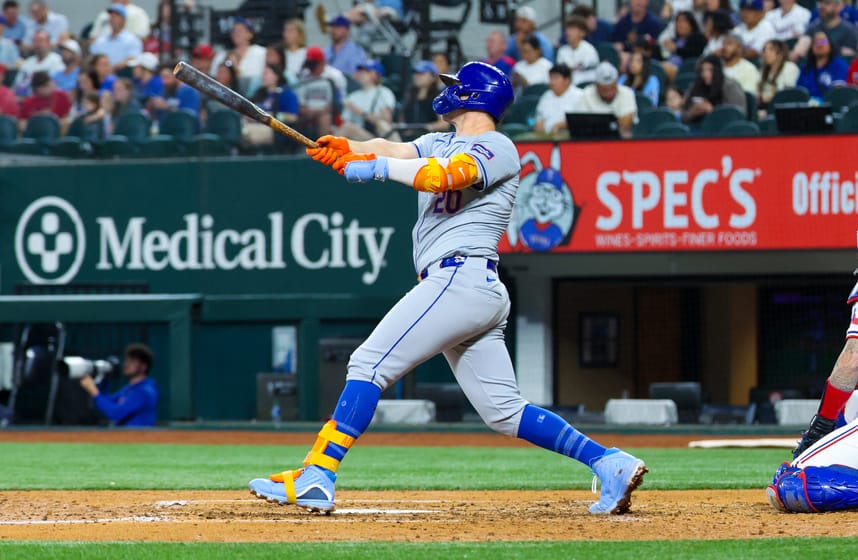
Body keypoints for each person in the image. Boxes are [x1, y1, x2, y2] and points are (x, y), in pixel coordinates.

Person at [248, 60, 648, 516]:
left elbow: (442, 176)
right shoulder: (440, 140)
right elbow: (394, 150)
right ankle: (609, 461)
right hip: (467, 287)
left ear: (474, 95)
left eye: (456, 86)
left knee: (368, 362)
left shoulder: (498, 147)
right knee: (503, 412)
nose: (447, 92)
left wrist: (373, 167)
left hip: (460, 278)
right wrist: (348, 146)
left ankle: (319, 473)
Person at [79, 343, 158, 427]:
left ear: (143, 366)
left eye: (132, 361)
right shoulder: (129, 388)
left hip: (139, 437)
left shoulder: (145, 391)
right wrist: (104, 380)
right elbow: (107, 403)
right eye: (127, 360)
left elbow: (115, 413)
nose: (127, 364)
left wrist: (93, 390)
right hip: (125, 437)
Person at [337, 59, 396, 141]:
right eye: (360, 71)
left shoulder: (384, 92)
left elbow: (386, 122)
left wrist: (361, 112)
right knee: (345, 128)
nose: (361, 73)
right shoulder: (352, 96)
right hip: (360, 136)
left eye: (366, 71)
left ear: (375, 74)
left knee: (383, 125)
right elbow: (344, 121)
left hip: (379, 138)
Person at [576, 61, 638, 137]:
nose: (609, 93)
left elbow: (626, 123)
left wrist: (597, 123)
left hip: (621, 140)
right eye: (604, 90)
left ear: (616, 83)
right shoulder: (586, 94)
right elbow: (581, 123)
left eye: (612, 88)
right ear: (596, 86)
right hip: (592, 140)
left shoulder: (627, 93)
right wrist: (613, 122)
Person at [681, 54, 746, 125]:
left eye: (710, 70)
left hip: (725, 130)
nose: (705, 74)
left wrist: (712, 111)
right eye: (702, 70)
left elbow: (738, 116)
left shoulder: (730, 86)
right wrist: (691, 113)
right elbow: (683, 116)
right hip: (700, 128)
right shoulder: (697, 85)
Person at [245, 62, 299, 147]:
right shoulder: (260, 93)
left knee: (244, 133)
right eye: (263, 74)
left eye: (266, 73)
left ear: (276, 76)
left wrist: (273, 116)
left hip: (274, 130)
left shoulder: (286, 93)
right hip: (253, 124)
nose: (263, 76)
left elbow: (293, 117)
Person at [210, 17, 266, 96]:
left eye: (240, 31)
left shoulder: (261, 52)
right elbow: (213, 78)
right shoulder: (221, 55)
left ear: (250, 34)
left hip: (254, 95)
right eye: (234, 31)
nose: (236, 34)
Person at [791, 0, 857, 62]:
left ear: (839, 7)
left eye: (827, 3)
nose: (822, 6)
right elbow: (799, 50)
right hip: (815, 69)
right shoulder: (814, 27)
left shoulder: (849, 30)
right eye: (820, 3)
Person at [398, 59, 448, 138]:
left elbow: (444, 124)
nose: (417, 76)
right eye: (416, 73)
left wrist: (426, 127)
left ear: (432, 77)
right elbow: (402, 117)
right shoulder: (410, 95)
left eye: (422, 73)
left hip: (430, 140)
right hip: (409, 139)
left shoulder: (439, 98)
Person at [89, 3, 143, 71]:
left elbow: (132, 59)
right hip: (100, 76)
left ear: (124, 20)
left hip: (121, 75)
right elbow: (93, 57)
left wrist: (111, 69)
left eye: (117, 16)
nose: (113, 19)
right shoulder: (100, 40)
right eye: (112, 16)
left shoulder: (133, 40)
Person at [797, 30, 848, 100]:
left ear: (830, 45)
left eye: (823, 42)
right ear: (811, 47)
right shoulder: (805, 67)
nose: (820, 45)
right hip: (806, 107)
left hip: (830, 106)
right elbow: (799, 92)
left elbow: (839, 92)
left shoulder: (839, 64)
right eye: (816, 42)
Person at [533, 63, 582, 137]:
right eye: (551, 78)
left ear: (567, 80)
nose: (551, 82)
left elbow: (581, 120)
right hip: (545, 136)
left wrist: (561, 125)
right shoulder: (546, 96)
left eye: (556, 78)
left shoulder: (580, 95)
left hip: (568, 135)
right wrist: (539, 123)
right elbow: (539, 116)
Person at [13, 28, 61, 96]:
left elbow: (56, 85)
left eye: (41, 41)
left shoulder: (57, 60)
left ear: (48, 43)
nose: (38, 44)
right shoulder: (28, 62)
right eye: (35, 41)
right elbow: (18, 85)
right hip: (27, 99)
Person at [757, 39, 799, 115]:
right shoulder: (763, 71)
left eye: (771, 49)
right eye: (764, 50)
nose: (766, 53)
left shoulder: (789, 67)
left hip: (784, 107)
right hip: (765, 107)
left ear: (780, 53)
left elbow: (788, 93)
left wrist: (768, 99)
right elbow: (759, 95)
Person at [556, 15, 600, 86]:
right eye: (567, 29)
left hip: (586, 88)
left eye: (572, 29)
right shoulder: (562, 51)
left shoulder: (589, 50)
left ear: (582, 33)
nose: (568, 32)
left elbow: (592, 75)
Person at [282, 18, 306, 83]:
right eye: (285, 31)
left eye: (290, 31)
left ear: (300, 34)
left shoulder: (306, 53)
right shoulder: (281, 53)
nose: (286, 34)